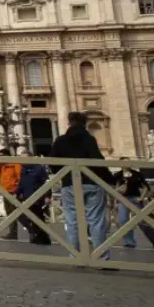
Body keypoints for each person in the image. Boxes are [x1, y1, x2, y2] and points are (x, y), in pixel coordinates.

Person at [50, 111, 113, 261]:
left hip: (69, 184)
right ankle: (101, 257)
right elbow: (98, 161)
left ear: (69, 122)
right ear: (85, 123)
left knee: (72, 221)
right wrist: (109, 179)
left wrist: (63, 174)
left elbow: (53, 164)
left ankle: (75, 256)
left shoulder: (60, 140)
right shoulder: (88, 139)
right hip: (91, 183)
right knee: (96, 221)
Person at [112, 158, 154, 249]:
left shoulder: (137, 174)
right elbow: (115, 189)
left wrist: (141, 198)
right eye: (125, 162)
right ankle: (129, 242)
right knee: (123, 220)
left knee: (142, 220)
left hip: (135, 198)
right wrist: (116, 201)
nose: (128, 164)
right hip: (123, 199)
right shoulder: (117, 175)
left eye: (129, 162)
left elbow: (146, 187)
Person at [0, 149, 22, 240]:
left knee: (20, 214)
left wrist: (18, 190)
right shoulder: (2, 166)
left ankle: (32, 230)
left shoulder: (15, 165)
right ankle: (13, 233)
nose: (0, 157)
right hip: (5, 191)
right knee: (9, 213)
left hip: (13, 192)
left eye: (1, 155)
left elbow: (19, 177)